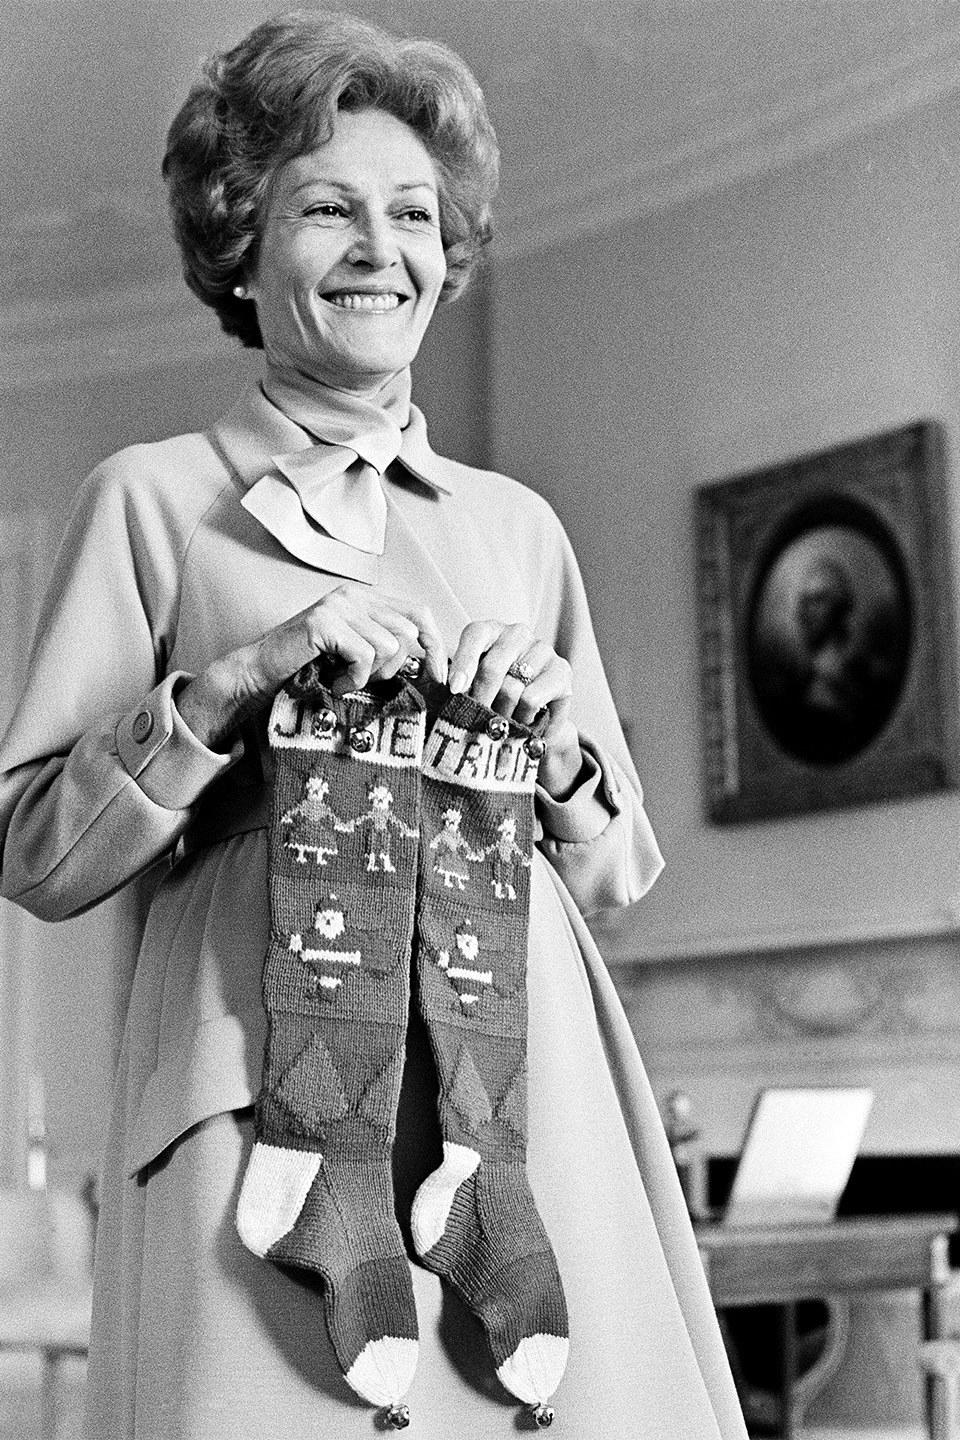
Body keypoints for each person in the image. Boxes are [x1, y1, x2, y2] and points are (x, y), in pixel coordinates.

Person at [0, 10, 747, 1438]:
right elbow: (37, 846)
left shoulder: (518, 529)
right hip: (266, 1098)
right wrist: (238, 680)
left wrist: (556, 748)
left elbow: (611, 871)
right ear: (238, 242)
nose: (377, 247)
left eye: (413, 215)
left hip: (526, 1100)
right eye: (324, 207)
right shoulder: (151, 501)